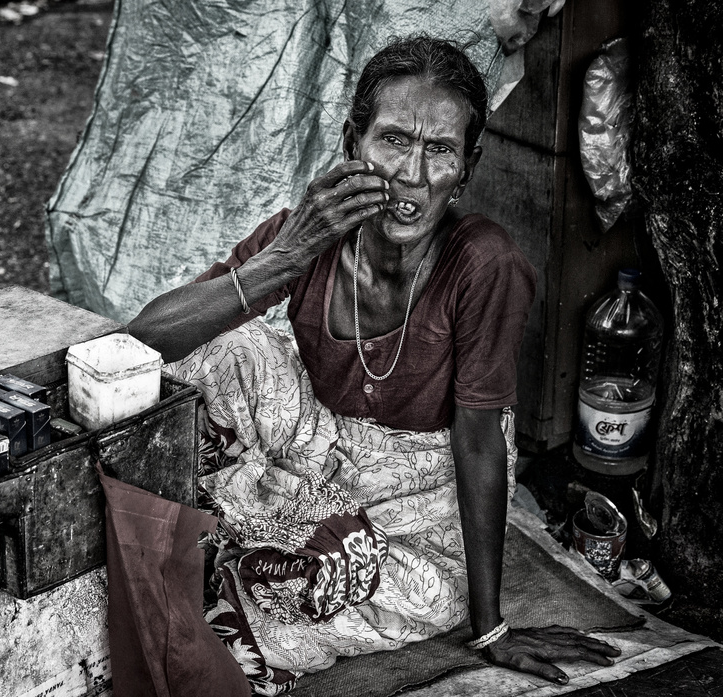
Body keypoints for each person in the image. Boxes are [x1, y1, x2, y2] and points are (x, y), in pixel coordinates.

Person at [128, 35, 620, 694]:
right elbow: (143, 341)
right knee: (223, 349)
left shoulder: (484, 263)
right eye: (393, 140)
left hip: (419, 493)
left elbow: (477, 442)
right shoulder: (308, 231)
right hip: (322, 444)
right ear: (351, 142)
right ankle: (276, 542)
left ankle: (267, 552)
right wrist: (283, 258)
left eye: (440, 149)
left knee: (401, 598)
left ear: (467, 167)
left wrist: (490, 625)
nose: (412, 175)